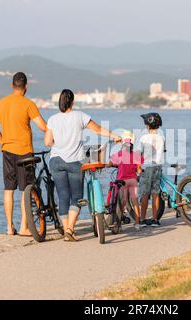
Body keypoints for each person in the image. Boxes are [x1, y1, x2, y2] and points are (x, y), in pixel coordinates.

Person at [44, 89, 121, 242]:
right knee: (77, 197)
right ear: (72, 101)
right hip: (75, 162)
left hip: (56, 161)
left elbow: (47, 142)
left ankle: (67, 231)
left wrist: (60, 142)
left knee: (63, 196)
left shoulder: (52, 119)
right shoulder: (80, 116)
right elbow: (98, 129)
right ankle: (70, 230)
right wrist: (114, 136)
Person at [0, 72, 47, 236]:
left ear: (12, 85)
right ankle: (23, 228)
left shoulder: (1, 103)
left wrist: (3, 142)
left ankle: (9, 228)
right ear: (26, 86)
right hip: (24, 152)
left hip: (7, 151)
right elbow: (42, 127)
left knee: (8, 189)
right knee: (25, 189)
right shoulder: (28, 104)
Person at [108, 130, 143, 230]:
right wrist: (138, 172)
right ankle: (137, 224)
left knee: (122, 203)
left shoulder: (120, 154)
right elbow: (139, 169)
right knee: (135, 202)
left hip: (122, 181)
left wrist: (110, 164)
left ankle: (119, 224)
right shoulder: (136, 155)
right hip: (133, 181)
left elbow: (109, 163)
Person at [138, 112, 165, 227]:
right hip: (158, 167)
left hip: (147, 168)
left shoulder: (144, 138)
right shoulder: (161, 137)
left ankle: (143, 219)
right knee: (155, 194)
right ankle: (155, 219)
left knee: (144, 194)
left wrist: (138, 167)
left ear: (148, 126)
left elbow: (139, 154)